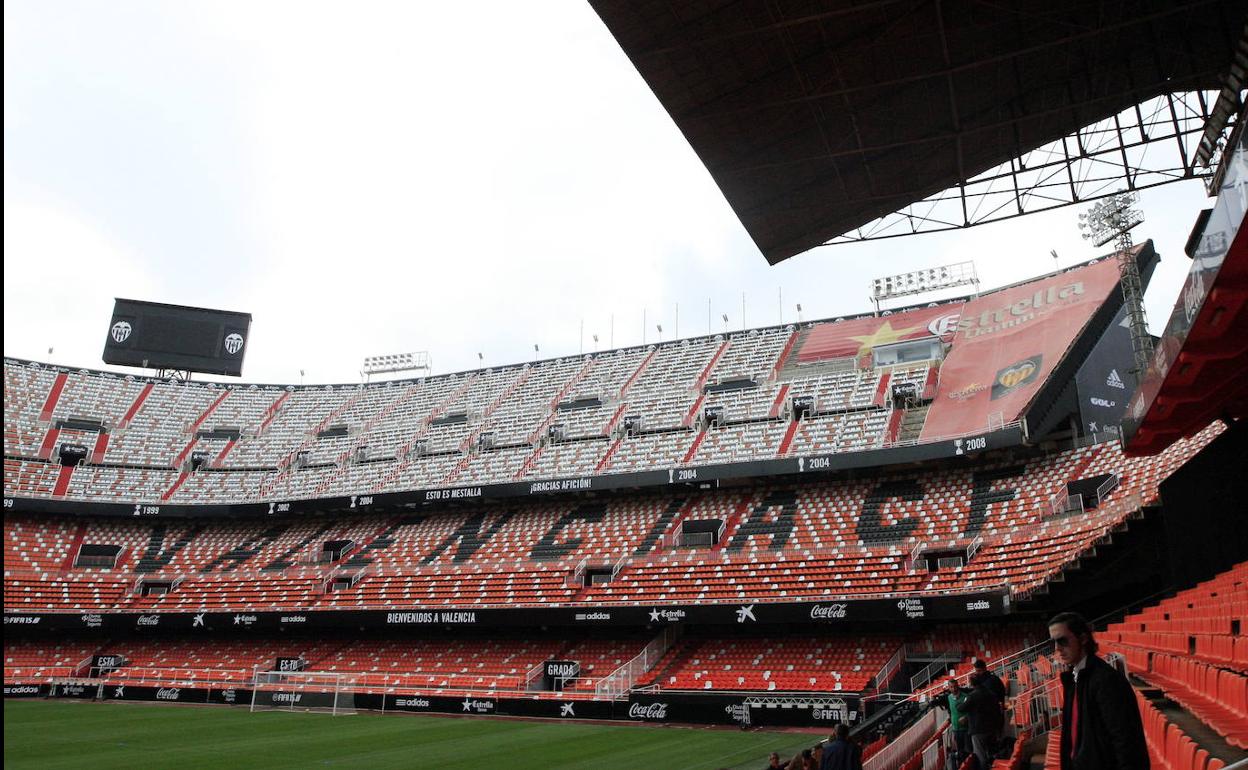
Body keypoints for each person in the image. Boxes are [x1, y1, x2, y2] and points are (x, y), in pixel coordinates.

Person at [1049, 611, 1149, 770]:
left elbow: (1126, 743)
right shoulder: (1075, 678)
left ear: (1083, 638)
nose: (1057, 649)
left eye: (1063, 641)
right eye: (1054, 642)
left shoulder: (1107, 680)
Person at [962, 671, 1005, 769]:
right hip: (991, 727)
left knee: (980, 755)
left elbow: (961, 708)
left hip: (978, 729)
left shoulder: (972, 695)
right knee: (991, 751)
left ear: (971, 683)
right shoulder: (990, 693)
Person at [944, 678, 970, 763]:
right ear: (949, 688)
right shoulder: (949, 698)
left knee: (968, 750)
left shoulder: (965, 697)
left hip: (966, 728)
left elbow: (971, 711)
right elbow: (951, 711)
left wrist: (966, 717)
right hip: (956, 728)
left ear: (958, 686)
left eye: (955, 686)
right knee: (960, 751)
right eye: (951, 687)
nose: (953, 689)